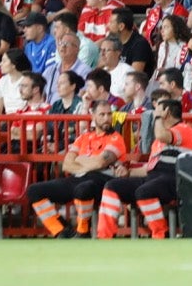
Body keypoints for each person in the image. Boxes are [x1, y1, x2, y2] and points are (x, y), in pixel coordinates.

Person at [94, 97, 192, 239]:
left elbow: (161, 135)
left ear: (165, 113)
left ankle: (161, 233)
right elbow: (149, 168)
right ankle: (104, 236)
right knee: (112, 186)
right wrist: (128, 172)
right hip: (154, 177)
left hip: (177, 179)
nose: (154, 114)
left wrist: (158, 117)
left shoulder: (184, 129)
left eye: (157, 111)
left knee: (145, 192)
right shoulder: (158, 141)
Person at [25, 100, 126, 238]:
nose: (106, 118)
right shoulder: (83, 137)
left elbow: (100, 163)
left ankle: (83, 230)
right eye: (102, 114)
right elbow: (67, 164)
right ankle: (61, 230)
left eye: (109, 114)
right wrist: (84, 164)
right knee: (34, 190)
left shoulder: (116, 137)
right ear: (93, 116)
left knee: (84, 188)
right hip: (78, 177)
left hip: (103, 179)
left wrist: (79, 160)